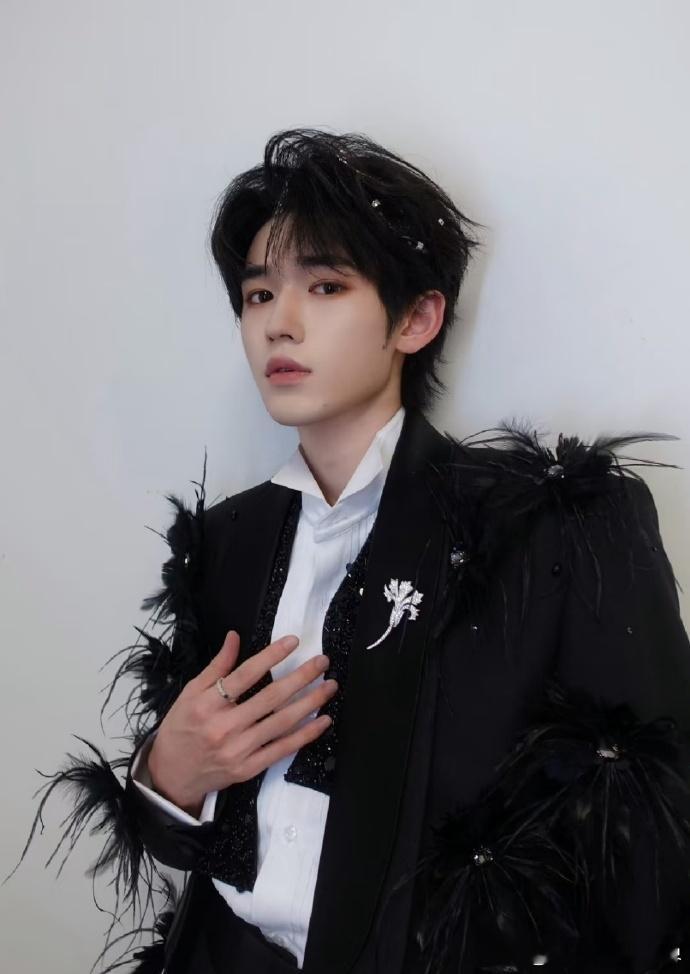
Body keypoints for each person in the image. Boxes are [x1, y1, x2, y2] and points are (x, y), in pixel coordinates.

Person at [10, 127, 690, 974]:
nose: (279, 324)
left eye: (326, 286)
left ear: (416, 318)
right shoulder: (224, 543)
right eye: (258, 295)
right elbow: (187, 842)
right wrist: (167, 774)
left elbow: (654, 842)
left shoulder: (553, 528)